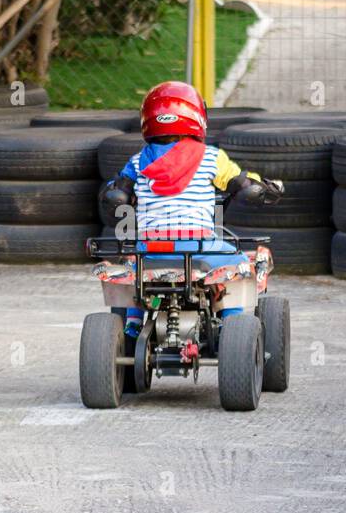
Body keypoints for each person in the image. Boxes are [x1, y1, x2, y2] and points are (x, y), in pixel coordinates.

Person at [98, 81, 282, 335]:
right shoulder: (211, 157)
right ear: (197, 116)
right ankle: (233, 327)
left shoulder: (138, 161)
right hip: (199, 247)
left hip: (150, 250)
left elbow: (116, 196)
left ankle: (131, 324)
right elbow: (246, 188)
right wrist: (267, 189)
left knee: (132, 267)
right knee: (241, 264)